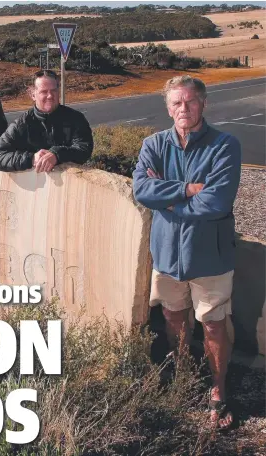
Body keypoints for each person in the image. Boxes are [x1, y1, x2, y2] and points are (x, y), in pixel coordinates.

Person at [133, 75, 241, 431]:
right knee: (173, 318)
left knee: (213, 323)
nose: (184, 108)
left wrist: (170, 204)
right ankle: (183, 375)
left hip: (209, 255)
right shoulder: (153, 144)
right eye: (176, 103)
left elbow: (216, 201)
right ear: (168, 108)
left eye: (190, 101)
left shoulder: (225, 146)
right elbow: (142, 190)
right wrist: (185, 189)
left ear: (203, 103)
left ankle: (218, 388)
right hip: (167, 254)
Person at [0, 69, 93, 173]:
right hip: (33, 187)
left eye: (54, 90)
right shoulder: (21, 124)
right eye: (44, 92)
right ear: (33, 95)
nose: (50, 96)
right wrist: (31, 158)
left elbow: (84, 148)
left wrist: (57, 154)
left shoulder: (75, 118)